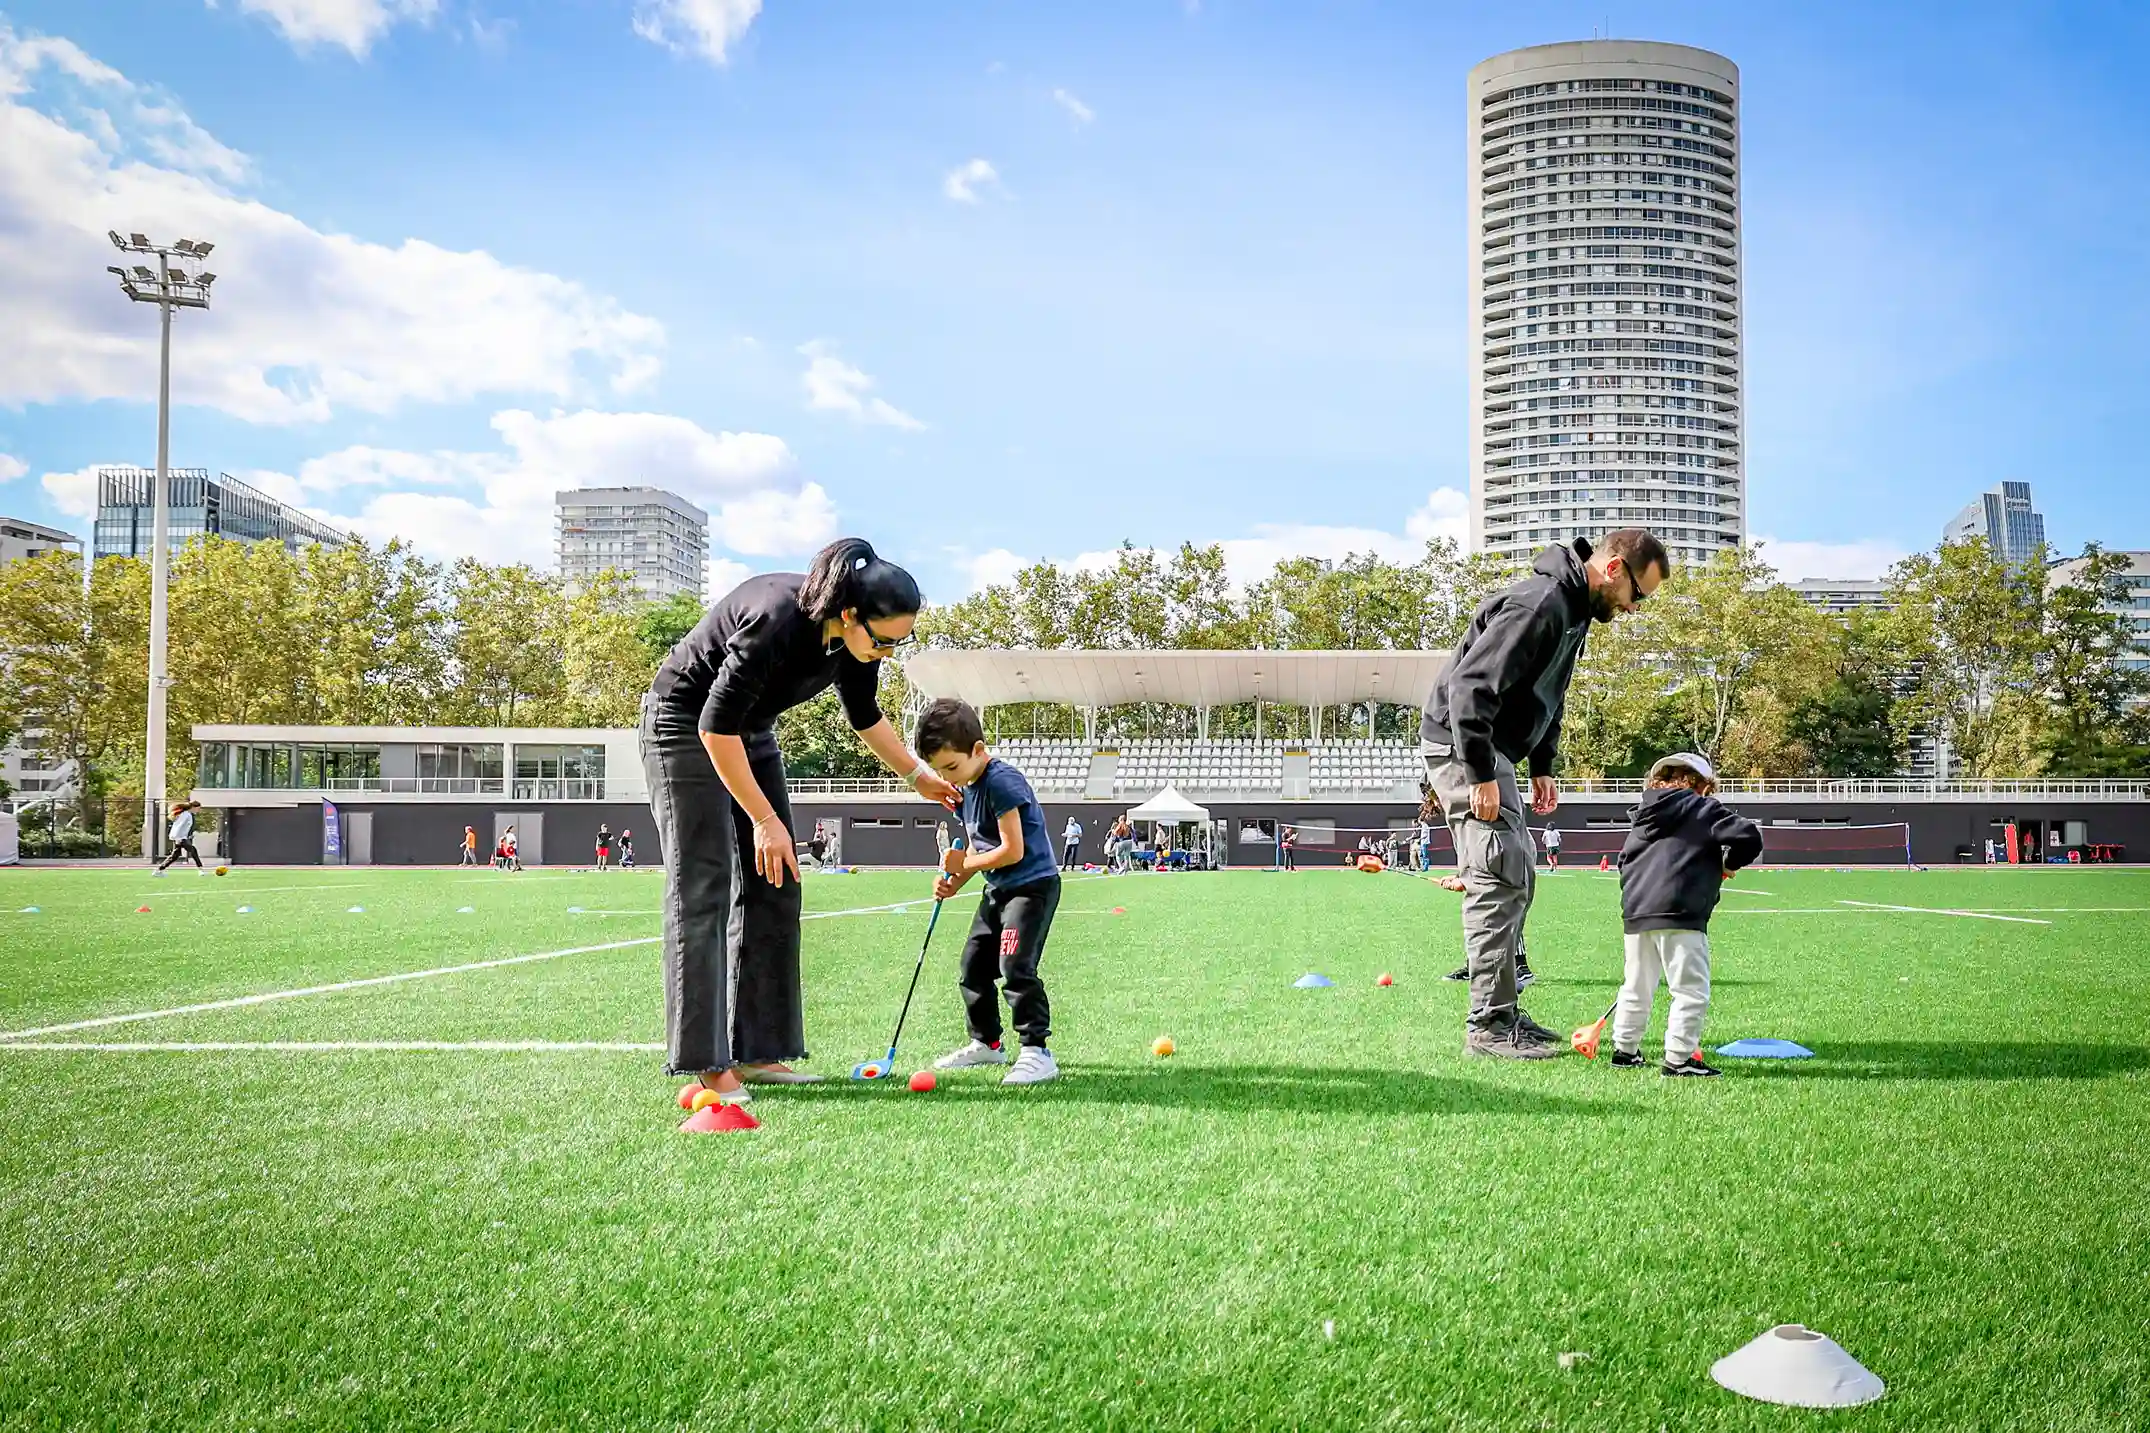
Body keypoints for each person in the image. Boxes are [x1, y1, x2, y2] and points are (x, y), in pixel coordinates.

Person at [643, 538, 960, 1107]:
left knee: (778, 878)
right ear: (848, 614)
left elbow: (866, 716)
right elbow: (714, 728)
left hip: (750, 731)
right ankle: (707, 1065)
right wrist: (763, 818)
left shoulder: (856, 650)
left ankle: (760, 1052)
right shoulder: (775, 618)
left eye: (901, 642)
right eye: (885, 640)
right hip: (685, 726)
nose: (890, 652)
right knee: (704, 884)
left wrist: (916, 776)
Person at [1422, 529, 1667, 1059]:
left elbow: (1549, 691)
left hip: (1497, 750)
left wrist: (1543, 765)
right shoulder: (1542, 604)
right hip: (1467, 745)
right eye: (1638, 596)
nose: (1634, 610)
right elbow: (1470, 688)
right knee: (1498, 876)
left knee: (1519, 875)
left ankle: (1505, 1014)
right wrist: (1482, 773)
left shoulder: (1576, 610)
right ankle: (1488, 1027)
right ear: (1616, 569)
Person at [917, 698, 1062, 1086]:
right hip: (998, 889)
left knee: (1015, 967)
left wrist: (963, 866)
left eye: (951, 767)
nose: (948, 776)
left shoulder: (1000, 781)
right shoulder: (964, 789)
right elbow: (977, 850)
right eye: (939, 770)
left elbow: (1012, 850)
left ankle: (1037, 1052)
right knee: (972, 968)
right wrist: (953, 881)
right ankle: (987, 1043)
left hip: (1031, 888)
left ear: (978, 750)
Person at [1611, 753, 1763, 1077]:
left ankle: (1625, 1050)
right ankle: (1679, 1059)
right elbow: (1750, 837)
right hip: (1680, 911)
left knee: (1636, 985)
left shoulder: (1641, 815)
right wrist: (1728, 864)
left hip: (1637, 911)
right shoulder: (1701, 808)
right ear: (1702, 784)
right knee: (1691, 990)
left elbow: (1623, 862)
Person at [154, 800, 202, 873]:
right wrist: (178, 838)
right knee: (193, 850)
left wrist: (186, 836)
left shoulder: (186, 814)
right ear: (193, 807)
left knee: (174, 856)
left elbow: (182, 827)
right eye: (198, 808)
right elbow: (179, 826)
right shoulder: (186, 814)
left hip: (180, 837)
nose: (199, 810)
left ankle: (158, 871)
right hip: (180, 838)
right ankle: (201, 870)